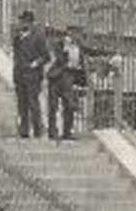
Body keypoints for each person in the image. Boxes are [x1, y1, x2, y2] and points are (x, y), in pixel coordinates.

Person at [45, 24, 89, 140]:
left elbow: (91, 53)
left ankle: (67, 132)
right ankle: (52, 132)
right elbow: (59, 58)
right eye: (75, 34)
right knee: (53, 106)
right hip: (56, 78)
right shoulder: (59, 44)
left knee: (69, 105)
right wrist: (66, 50)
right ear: (69, 34)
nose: (78, 36)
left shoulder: (80, 47)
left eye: (78, 34)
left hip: (70, 78)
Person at [11, 10, 48, 139]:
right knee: (22, 103)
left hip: (33, 76)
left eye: (25, 21)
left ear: (31, 23)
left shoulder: (38, 37)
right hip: (19, 75)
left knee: (33, 103)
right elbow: (16, 55)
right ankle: (24, 131)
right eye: (21, 21)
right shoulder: (17, 38)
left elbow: (45, 57)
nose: (22, 23)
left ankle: (38, 131)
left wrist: (35, 63)